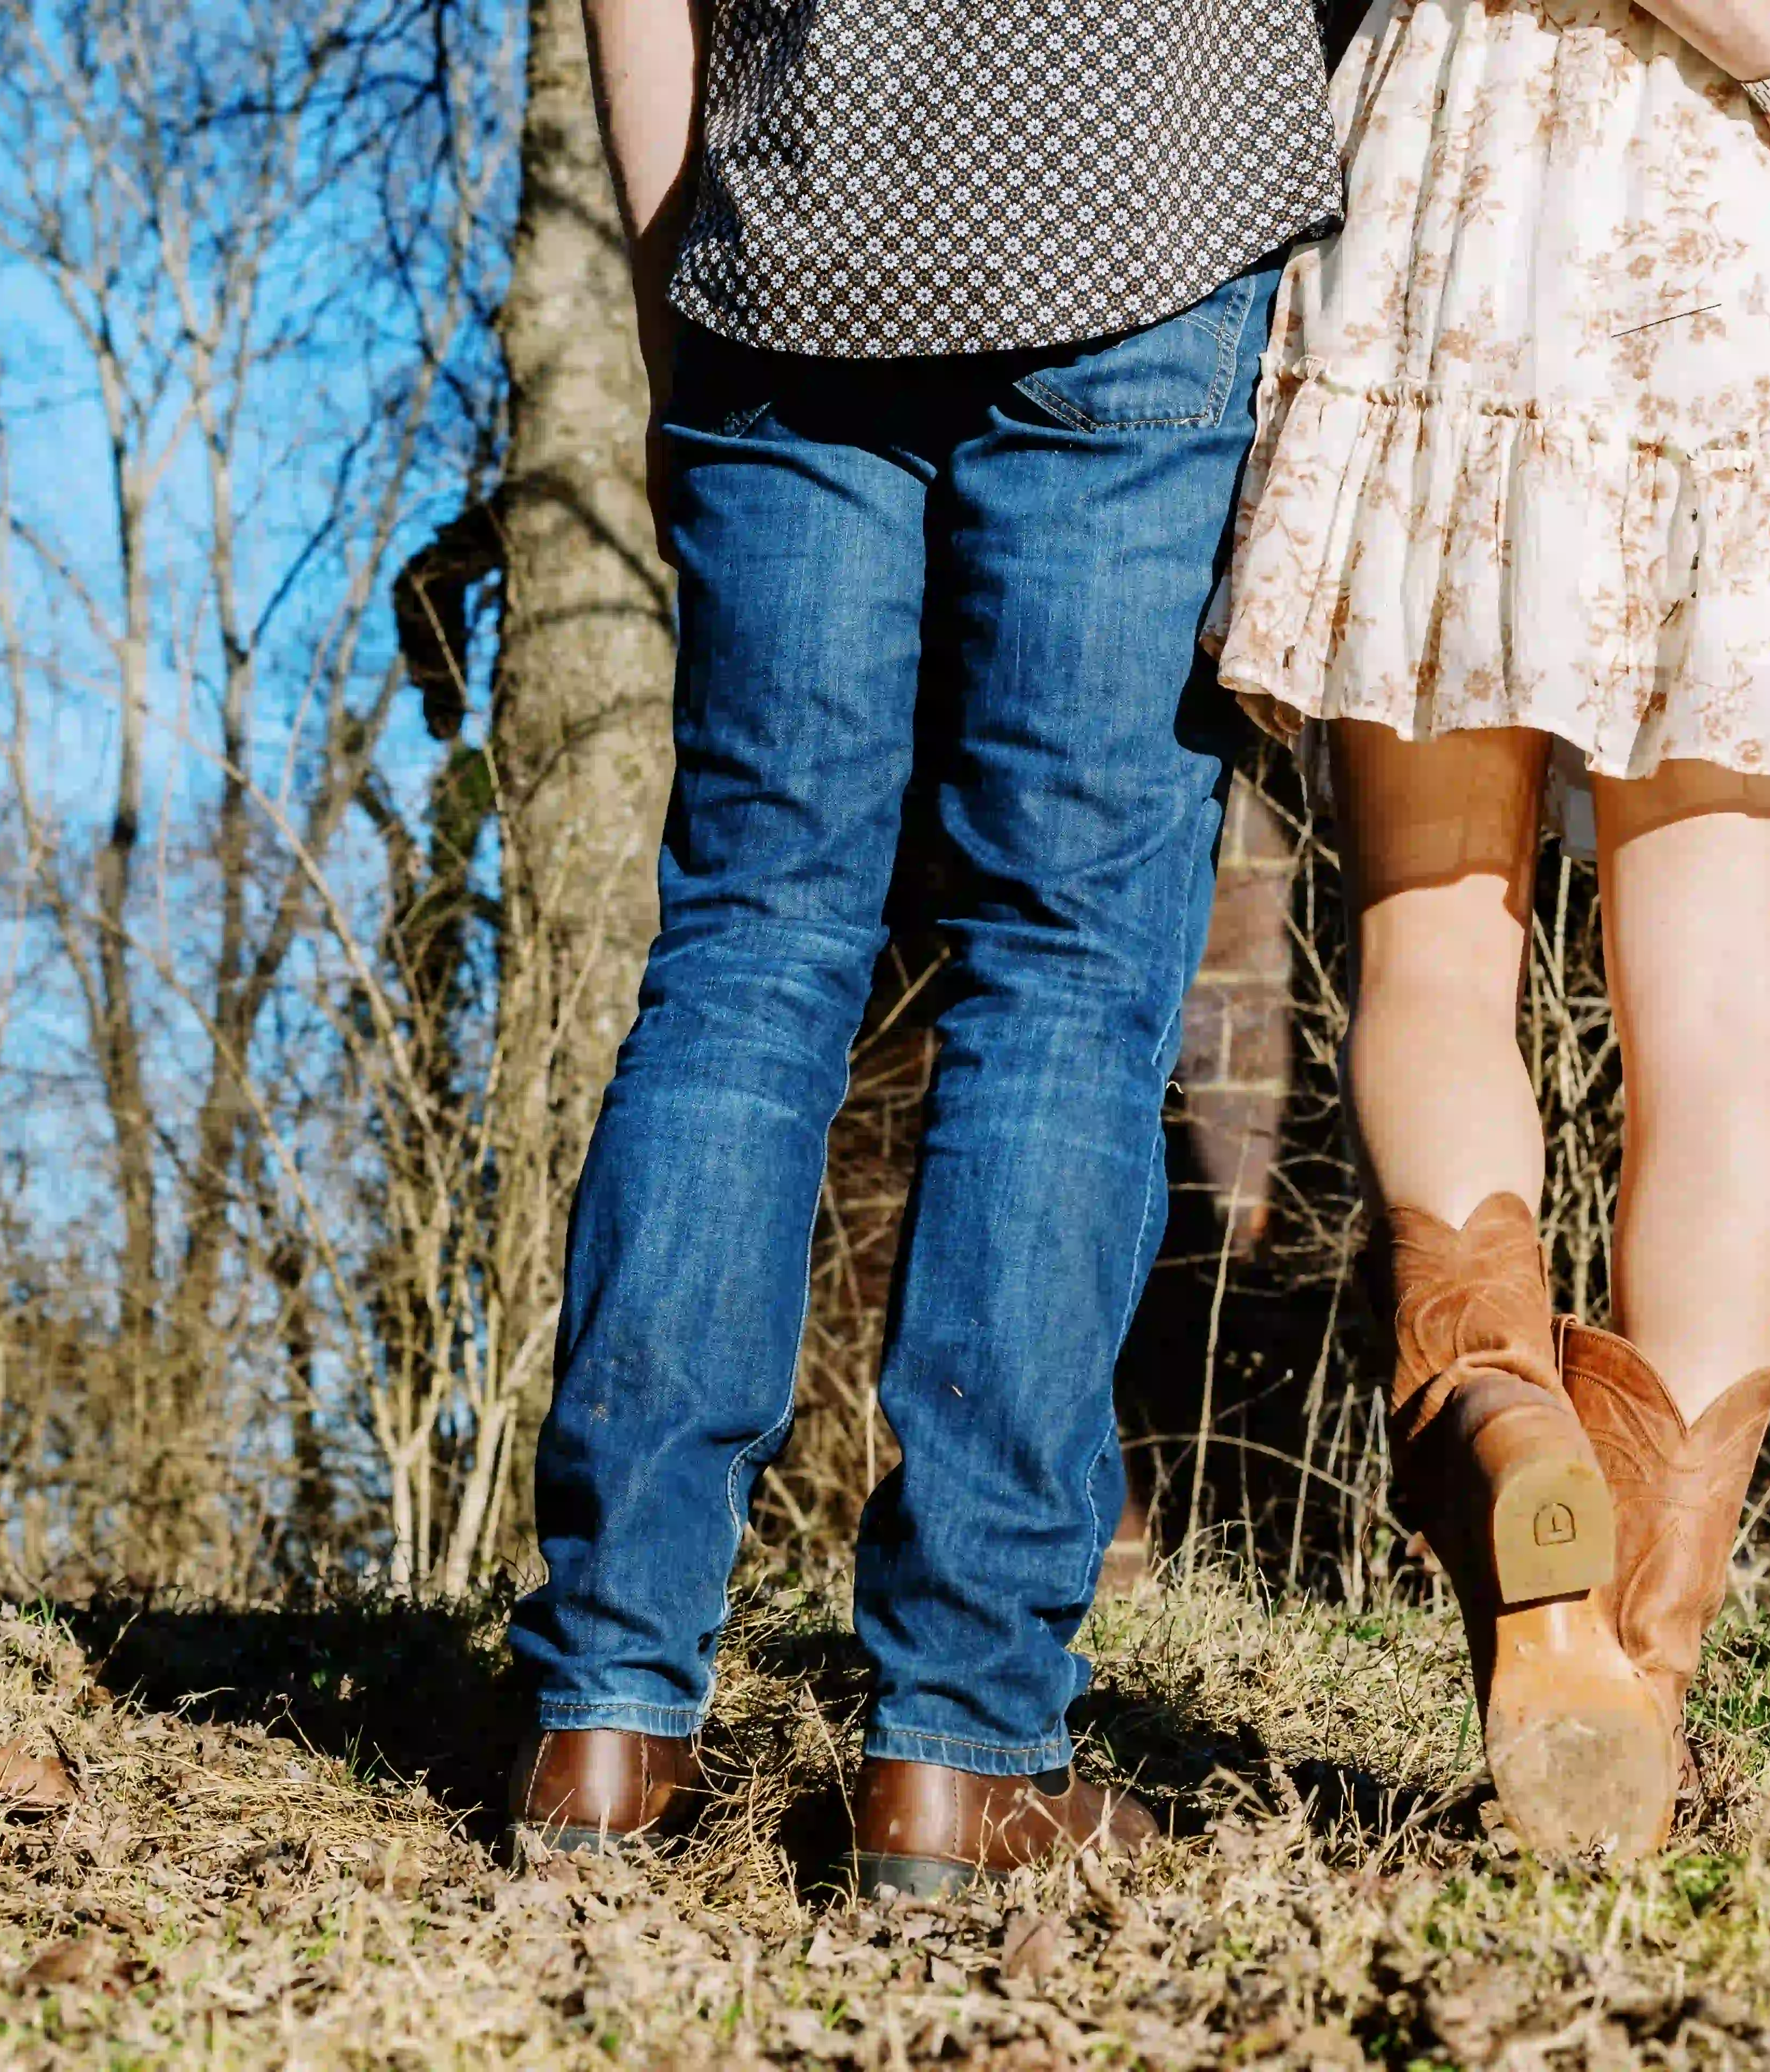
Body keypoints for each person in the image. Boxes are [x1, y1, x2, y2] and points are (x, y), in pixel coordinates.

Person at [498, 0, 1354, 1894]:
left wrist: (672, 301)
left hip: (785, 256)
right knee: (1063, 973)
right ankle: (960, 1748)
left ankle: (606, 1719)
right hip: (1144, 218)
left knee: (745, 947)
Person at [1211, 0, 1770, 1856]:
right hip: (1761, 271)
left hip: (1468, 193)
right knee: (1725, 1013)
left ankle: (1504, 1412)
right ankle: (1630, 1678)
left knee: (1433, 939)